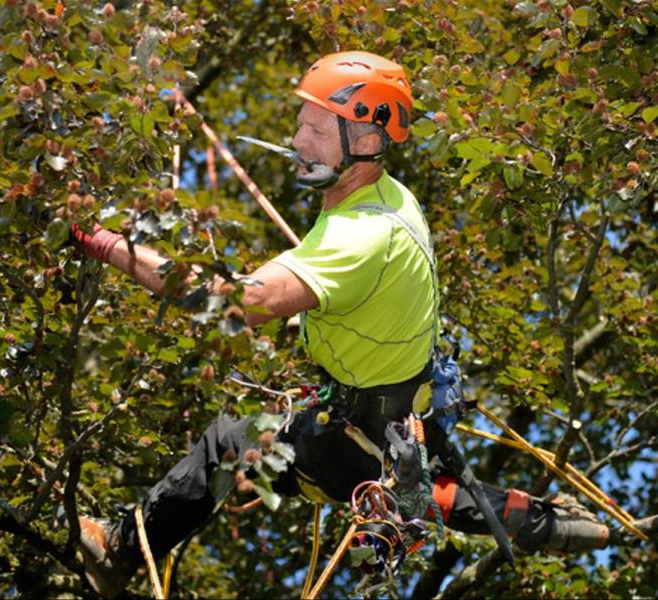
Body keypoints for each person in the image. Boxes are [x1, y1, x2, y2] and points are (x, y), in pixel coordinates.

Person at [69, 51, 616, 598]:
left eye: (315, 128)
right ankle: (540, 520)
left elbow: (232, 305)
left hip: (356, 434)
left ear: (367, 137)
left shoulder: (359, 237)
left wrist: (109, 245)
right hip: (401, 417)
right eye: (299, 124)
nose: (299, 141)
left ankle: (119, 549)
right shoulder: (387, 198)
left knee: (230, 441)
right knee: (399, 481)